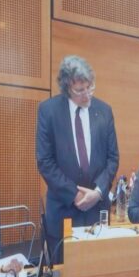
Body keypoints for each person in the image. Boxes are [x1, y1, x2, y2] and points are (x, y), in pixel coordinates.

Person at [36, 55, 119, 260]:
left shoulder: (104, 111)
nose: (87, 95)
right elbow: (45, 161)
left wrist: (98, 192)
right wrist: (74, 194)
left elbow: (113, 158)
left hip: (97, 213)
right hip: (63, 211)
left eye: (90, 87)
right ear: (66, 88)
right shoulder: (49, 111)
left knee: (98, 276)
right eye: (80, 90)